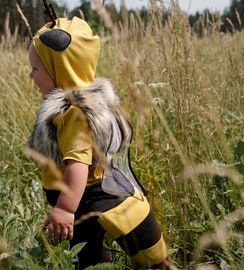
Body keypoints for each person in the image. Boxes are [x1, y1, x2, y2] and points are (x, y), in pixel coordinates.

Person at [27, 4, 170, 269]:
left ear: (61, 68)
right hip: (85, 195)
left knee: (145, 245)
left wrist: (65, 209)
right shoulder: (84, 104)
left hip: (95, 194)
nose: (30, 75)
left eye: (36, 69)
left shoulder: (75, 114)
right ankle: (95, 260)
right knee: (85, 250)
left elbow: (78, 165)